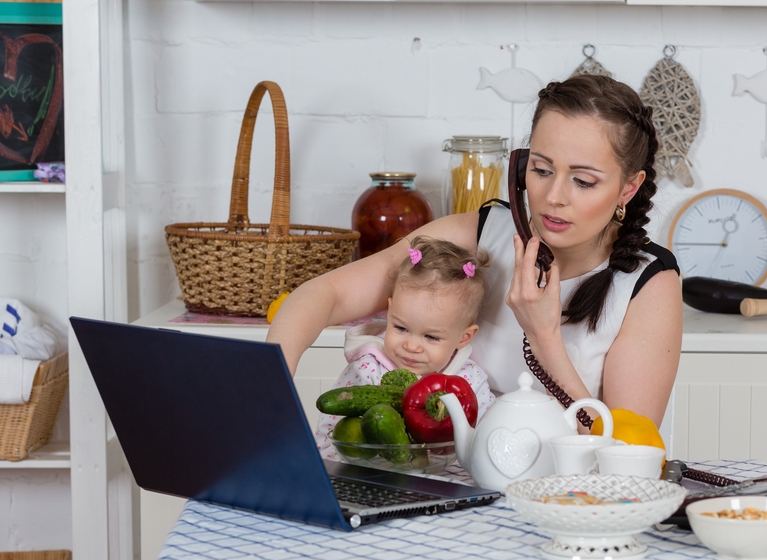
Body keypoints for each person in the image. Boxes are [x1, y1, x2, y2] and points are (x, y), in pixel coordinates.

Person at [268, 75, 682, 430]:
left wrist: (544, 338)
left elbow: (624, 455)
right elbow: (325, 295)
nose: (553, 197)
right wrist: (272, 387)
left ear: (628, 187)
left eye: (584, 181)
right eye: (541, 170)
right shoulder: (477, 235)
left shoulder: (648, 283)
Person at [315, 236, 495, 451]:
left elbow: (488, 440)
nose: (411, 346)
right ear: (390, 312)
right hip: (371, 474)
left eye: (431, 337)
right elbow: (328, 434)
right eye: (401, 328)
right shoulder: (368, 369)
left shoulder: (471, 381)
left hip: (448, 478)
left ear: (464, 337)